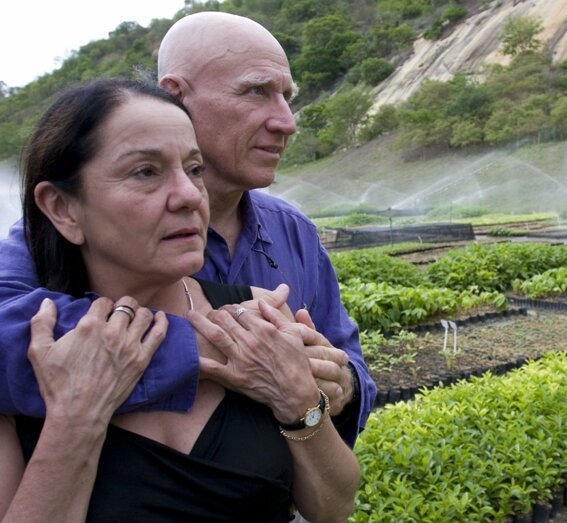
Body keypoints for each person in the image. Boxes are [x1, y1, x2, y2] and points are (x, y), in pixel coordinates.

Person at [0, 11, 375, 448]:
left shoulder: (295, 233)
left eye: (287, 96)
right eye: (256, 91)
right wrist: (219, 345)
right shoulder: (70, 227)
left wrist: (341, 383)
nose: (286, 121)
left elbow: (352, 366)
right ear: (175, 97)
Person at [0, 78, 359, 523]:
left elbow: (334, 507)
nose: (190, 196)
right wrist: (77, 422)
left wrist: (302, 402)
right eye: (145, 172)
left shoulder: (258, 316)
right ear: (63, 209)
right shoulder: (29, 363)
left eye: (193, 169)